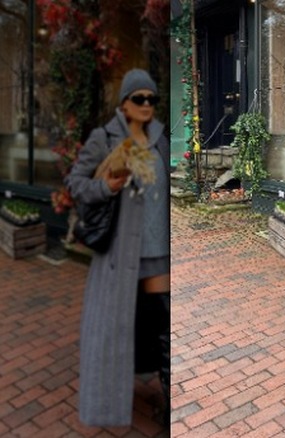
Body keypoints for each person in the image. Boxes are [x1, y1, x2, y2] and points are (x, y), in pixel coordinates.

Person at [67, 69, 170, 427]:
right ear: (124, 103)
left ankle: (170, 404)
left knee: (162, 327)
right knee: (113, 329)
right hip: (118, 255)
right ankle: (108, 406)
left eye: (151, 99)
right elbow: (76, 184)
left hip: (158, 252)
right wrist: (107, 187)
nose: (146, 105)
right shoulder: (105, 137)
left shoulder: (160, 139)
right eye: (138, 98)